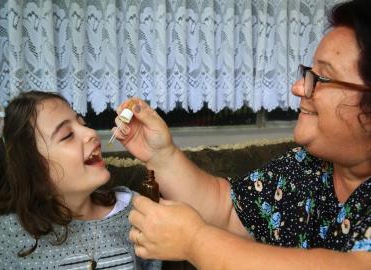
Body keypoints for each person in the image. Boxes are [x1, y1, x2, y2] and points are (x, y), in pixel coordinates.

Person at [112, 0, 371, 269]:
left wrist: (195, 242)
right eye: (309, 74)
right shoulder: (306, 167)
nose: (298, 88)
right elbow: (227, 210)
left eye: (323, 79)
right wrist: (161, 155)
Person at [0, 91, 161, 269]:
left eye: (83, 123)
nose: (91, 133)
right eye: (67, 135)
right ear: (29, 168)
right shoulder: (3, 236)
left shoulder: (133, 211)